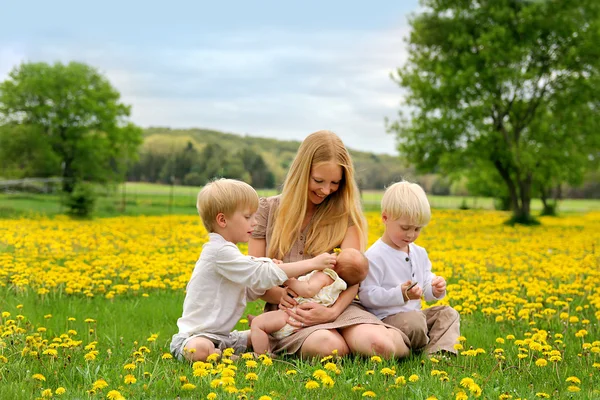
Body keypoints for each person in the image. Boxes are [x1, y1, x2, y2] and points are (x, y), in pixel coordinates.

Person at [249, 130, 410, 358]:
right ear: (302, 172)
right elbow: (255, 276)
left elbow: (354, 278)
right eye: (318, 181)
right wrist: (279, 296)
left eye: (335, 183)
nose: (326, 190)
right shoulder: (267, 210)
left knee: (381, 345)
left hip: (339, 306)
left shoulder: (344, 216)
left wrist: (331, 312)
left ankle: (403, 335)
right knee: (330, 347)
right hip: (291, 312)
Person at [170, 178, 337, 362]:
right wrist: (312, 263)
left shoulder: (230, 254)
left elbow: (251, 289)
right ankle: (228, 357)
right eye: (248, 217)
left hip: (223, 337)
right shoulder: (218, 252)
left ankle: (228, 352)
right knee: (199, 349)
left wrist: (271, 266)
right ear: (222, 220)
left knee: (267, 334)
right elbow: (260, 274)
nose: (255, 223)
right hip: (194, 338)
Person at [359, 181, 460, 354]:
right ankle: (420, 345)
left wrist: (434, 288)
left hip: (416, 317)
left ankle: (439, 353)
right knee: (414, 322)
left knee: (448, 314)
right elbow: (367, 296)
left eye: (417, 229)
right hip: (388, 321)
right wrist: (401, 294)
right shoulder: (375, 255)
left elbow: (425, 283)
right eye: (405, 227)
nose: (411, 235)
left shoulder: (419, 253)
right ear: (385, 218)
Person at [250, 248, 368, 354]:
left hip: (292, 314)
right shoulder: (339, 287)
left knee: (258, 324)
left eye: (338, 255)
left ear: (335, 266)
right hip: (306, 320)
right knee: (263, 324)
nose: (334, 254)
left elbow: (308, 290)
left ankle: (262, 355)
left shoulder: (325, 275)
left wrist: (286, 278)